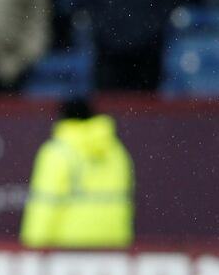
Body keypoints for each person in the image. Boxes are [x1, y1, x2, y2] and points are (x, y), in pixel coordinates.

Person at [20, 99, 134, 248]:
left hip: (69, 247)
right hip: (114, 245)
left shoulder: (57, 152)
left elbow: (45, 204)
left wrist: (33, 245)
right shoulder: (117, 152)